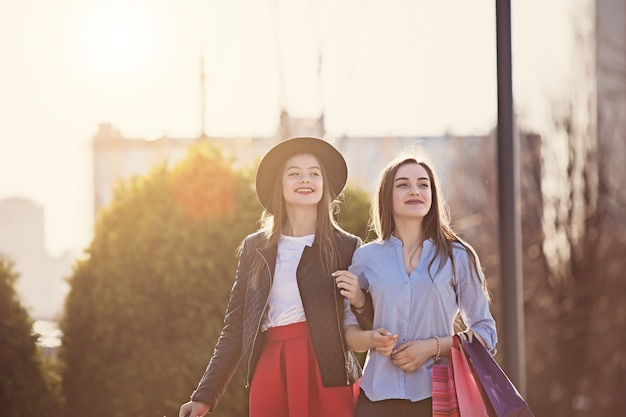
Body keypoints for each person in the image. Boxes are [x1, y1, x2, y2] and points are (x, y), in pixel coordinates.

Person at [179, 136, 372, 417]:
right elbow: (235, 327)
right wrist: (204, 396)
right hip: (271, 369)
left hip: (329, 371)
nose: (305, 180)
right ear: (279, 185)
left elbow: (370, 323)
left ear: (324, 185)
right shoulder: (255, 248)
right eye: (294, 173)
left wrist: (361, 301)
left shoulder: (347, 246)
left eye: (313, 174)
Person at [334, 150, 498, 417]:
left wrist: (430, 347)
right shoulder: (365, 257)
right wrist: (373, 339)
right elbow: (349, 334)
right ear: (387, 196)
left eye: (423, 184)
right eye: (403, 185)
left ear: (432, 196)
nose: (415, 191)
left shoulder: (458, 256)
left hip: (439, 398)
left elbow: (486, 334)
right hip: (376, 399)